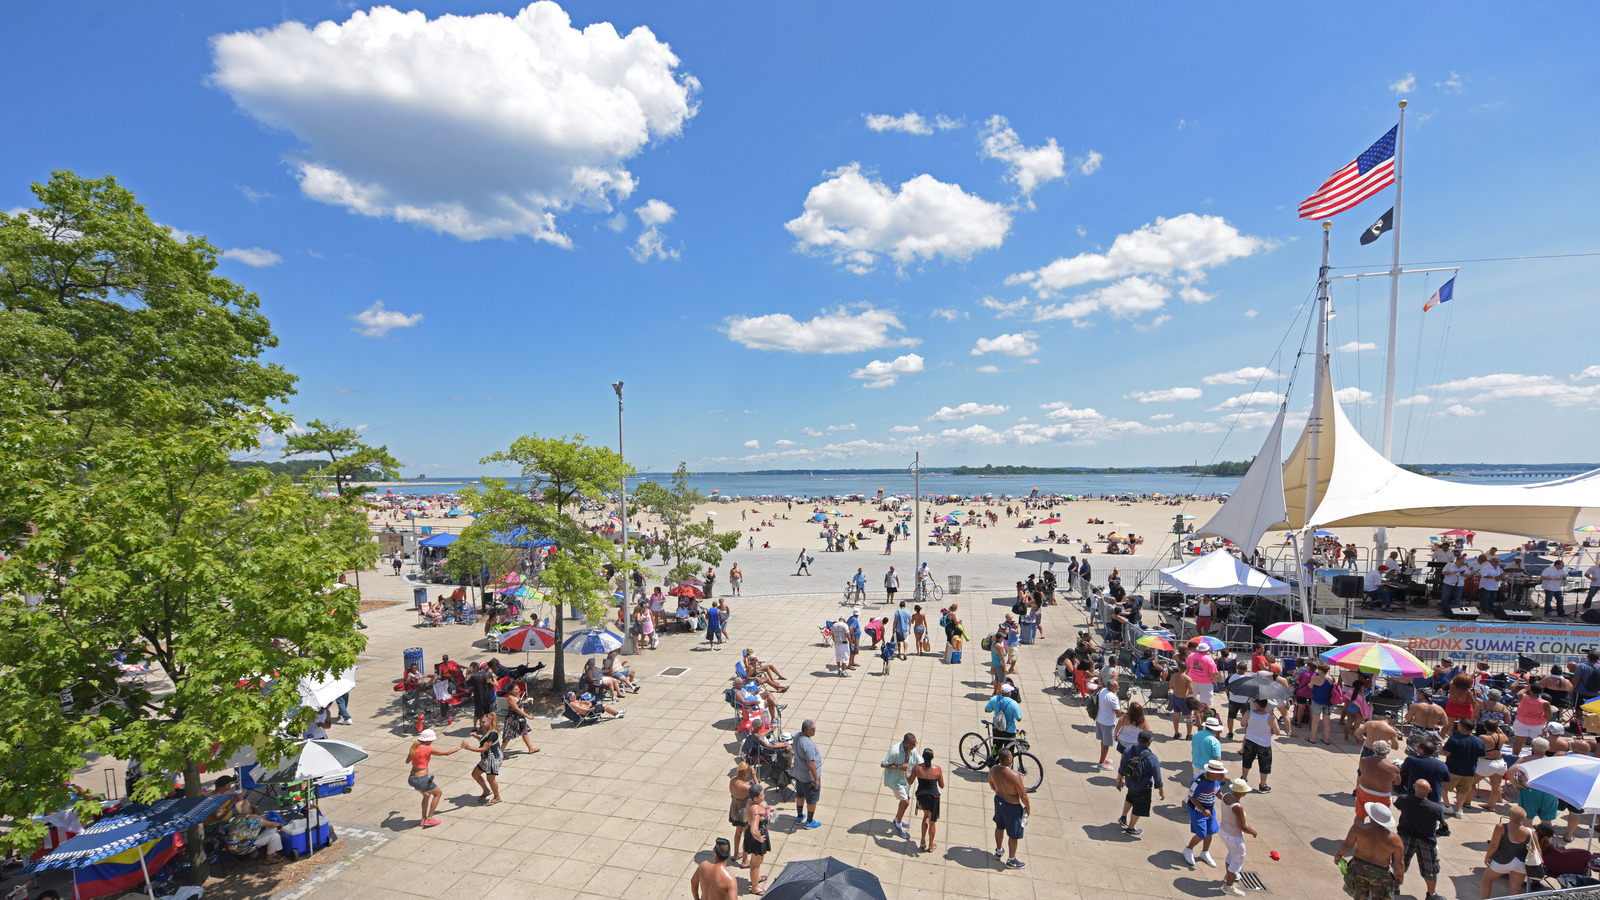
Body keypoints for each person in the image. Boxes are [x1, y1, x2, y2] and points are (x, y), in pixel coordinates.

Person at [1335, 803, 1405, 900]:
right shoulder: (1395, 840)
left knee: (1359, 897)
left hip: (1358, 868)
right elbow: (1399, 863)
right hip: (1380, 873)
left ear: (1370, 815)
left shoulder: (1358, 828)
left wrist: (1339, 855)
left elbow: (1347, 845)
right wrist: (1400, 876)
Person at [1395, 779, 1447, 900]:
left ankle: (1395, 885)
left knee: (1399, 862)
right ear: (1431, 791)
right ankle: (1431, 894)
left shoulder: (1403, 799)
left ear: (1413, 787)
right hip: (1426, 841)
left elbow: (1398, 807)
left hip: (1405, 837)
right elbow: (1440, 823)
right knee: (1430, 868)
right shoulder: (1436, 808)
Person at [404, 729, 460, 827]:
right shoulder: (428, 749)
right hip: (422, 779)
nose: (432, 742)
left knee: (426, 795)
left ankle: (423, 819)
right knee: (438, 794)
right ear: (428, 740)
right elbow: (446, 753)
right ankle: (429, 819)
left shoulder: (413, 747)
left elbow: (407, 761)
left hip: (412, 778)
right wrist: (460, 747)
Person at [1116, 730, 1164, 837]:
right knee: (1138, 808)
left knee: (1130, 798)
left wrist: (1118, 780)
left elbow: (1122, 766)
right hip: (1142, 788)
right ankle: (1131, 828)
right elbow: (1157, 777)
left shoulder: (1129, 750)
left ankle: (1123, 817)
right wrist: (1161, 791)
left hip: (1130, 783)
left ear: (1138, 740)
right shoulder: (1152, 758)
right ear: (1149, 742)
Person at [988, 748, 1030, 869]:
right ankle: (1011, 860)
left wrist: (997, 790)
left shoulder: (993, 769)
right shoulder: (1014, 775)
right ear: (1009, 759)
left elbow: (991, 783)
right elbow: (1023, 795)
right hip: (1012, 806)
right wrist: (1027, 808)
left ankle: (999, 850)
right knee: (1013, 834)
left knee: (999, 826)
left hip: (999, 800)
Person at [1183, 759, 1228, 868]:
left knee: (1210, 831)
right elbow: (1191, 796)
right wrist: (1203, 810)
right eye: (1220, 774)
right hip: (1198, 811)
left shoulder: (1216, 781)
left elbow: (1217, 792)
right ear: (1212, 773)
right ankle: (1188, 849)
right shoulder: (1198, 782)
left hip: (1210, 810)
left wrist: (1225, 799)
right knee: (1201, 833)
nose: (1223, 776)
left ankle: (1205, 852)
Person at [1480, 805, 1532, 898]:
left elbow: (1494, 845)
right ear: (1524, 819)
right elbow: (1538, 850)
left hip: (1501, 861)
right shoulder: (1530, 831)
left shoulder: (1501, 827)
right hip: (1521, 863)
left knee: (1487, 880)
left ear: (1509, 815)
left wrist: (1488, 856)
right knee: (1516, 889)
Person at [1218, 779, 1257, 896]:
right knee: (1238, 859)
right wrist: (1253, 832)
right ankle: (1229, 886)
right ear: (1241, 792)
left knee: (1232, 854)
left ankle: (1228, 877)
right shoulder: (1237, 807)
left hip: (1224, 831)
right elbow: (1243, 826)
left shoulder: (1226, 796)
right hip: (1234, 836)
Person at [1441, 719, 1485, 818]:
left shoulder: (1454, 739)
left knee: (1443, 787)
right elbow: (1482, 755)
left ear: (1463, 727)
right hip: (1469, 771)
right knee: (1462, 791)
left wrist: (1442, 746)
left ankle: (1447, 805)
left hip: (1453, 769)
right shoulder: (1478, 741)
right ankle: (1459, 810)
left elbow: (1446, 753)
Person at [881, 733, 918, 840]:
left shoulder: (912, 751)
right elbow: (883, 764)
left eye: (915, 744)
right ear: (906, 743)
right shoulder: (895, 751)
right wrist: (899, 767)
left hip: (905, 780)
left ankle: (897, 818)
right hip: (896, 781)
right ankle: (898, 824)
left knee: (907, 800)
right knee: (905, 801)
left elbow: (920, 762)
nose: (914, 746)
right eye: (913, 744)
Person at [1239, 698, 1278, 793]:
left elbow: (1242, 724)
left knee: (1247, 761)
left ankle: (1244, 779)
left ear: (1257, 704)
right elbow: (1277, 732)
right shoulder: (1271, 718)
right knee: (1264, 765)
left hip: (1250, 741)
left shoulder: (1248, 713)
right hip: (1264, 745)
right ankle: (1263, 785)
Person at [910, 748, 945, 853]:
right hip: (933, 798)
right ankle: (931, 845)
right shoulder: (937, 769)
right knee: (932, 822)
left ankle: (922, 841)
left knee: (925, 816)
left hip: (922, 796)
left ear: (923, 757)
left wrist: (906, 773)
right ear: (932, 757)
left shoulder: (917, 768)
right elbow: (942, 785)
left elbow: (910, 781)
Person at [790, 719, 823, 828]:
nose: (814, 731)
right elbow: (811, 764)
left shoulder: (797, 736)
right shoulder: (808, 745)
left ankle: (799, 816)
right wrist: (816, 780)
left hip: (799, 774)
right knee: (812, 799)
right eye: (812, 729)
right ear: (806, 730)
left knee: (800, 794)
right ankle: (809, 821)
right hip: (808, 778)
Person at [460, 728, 503, 805]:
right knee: (475, 774)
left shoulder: (493, 733)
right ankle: (486, 791)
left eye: (483, 722)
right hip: (486, 759)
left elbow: (484, 748)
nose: (482, 724)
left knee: (490, 778)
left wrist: (469, 748)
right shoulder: (486, 731)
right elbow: (484, 742)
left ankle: (497, 797)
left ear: (490, 722)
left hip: (493, 759)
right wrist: (477, 737)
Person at [744, 785, 773, 895]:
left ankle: (756, 878)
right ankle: (755, 887)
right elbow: (754, 830)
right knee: (755, 864)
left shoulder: (750, 801)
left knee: (759, 861)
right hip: (757, 839)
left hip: (758, 836)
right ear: (756, 798)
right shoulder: (756, 810)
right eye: (762, 795)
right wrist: (760, 838)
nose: (764, 795)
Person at [500, 682, 540, 755]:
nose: (517, 691)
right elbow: (517, 709)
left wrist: (526, 701)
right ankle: (500, 752)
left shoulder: (516, 696)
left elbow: (519, 703)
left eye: (518, 689)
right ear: (510, 690)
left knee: (524, 732)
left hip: (520, 718)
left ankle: (530, 748)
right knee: (508, 736)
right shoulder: (510, 698)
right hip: (512, 719)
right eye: (515, 690)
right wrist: (528, 716)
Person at [984, 684, 1024, 755]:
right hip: (1009, 731)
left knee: (996, 747)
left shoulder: (994, 699)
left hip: (997, 728)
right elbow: (1019, 719)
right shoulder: (1013, 704)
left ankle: (994, 762)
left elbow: (987, 710)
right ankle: (1007, 765)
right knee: (1008, 753)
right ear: (1009, 693)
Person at [1095, 670, 1122, 769]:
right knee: (1106, 744)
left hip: (1100, 719)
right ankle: (1101, 763)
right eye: (1116, 687)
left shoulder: (1103, 691)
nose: (1118, 688)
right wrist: (1119, 703)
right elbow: (1118, 712)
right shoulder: (1113, 697)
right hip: (1108, 723)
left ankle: (1104, 757)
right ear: (1111, 688)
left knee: (1103, 740)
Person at [728, 762, 753, 867]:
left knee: (738, 833)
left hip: (735, 809)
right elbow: (758, 791)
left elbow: (737, 789)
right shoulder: (745, 787)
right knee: (746, 836)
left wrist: (747, 784)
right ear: (745, 773)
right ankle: (745, 861)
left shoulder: (733, 779)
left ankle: (736, 854)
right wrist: (754, 779)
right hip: (743, 813)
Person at [1170, 653, 1197, 739]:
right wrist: (1186, 694)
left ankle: (1176, 733)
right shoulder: (1188, 679)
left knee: (1176, 715)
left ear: (1178, 667)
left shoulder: (1173, 676)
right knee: (1188, 717)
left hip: (1174, 697)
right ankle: (1189, 734)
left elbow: (1171, 687)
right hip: (1183, 699)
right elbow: (1192, 691)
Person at [1192, 715, 1224, 784]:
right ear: (1214, 729)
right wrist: (1222, 772)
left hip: (1195, 764)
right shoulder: (1215, 741)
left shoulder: (1196, 734)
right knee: (1208, 789)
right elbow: (1217, 759)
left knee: (1197, 785)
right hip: (1208, 769)